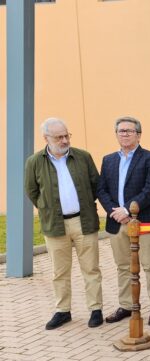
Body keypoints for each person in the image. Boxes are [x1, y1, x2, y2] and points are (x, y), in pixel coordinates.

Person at [24, 118, 104, 330]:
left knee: (91, 269)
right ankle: (63, 311)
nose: (64, 140)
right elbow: (32, 191)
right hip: (55, 226)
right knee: (60, 272)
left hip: (83, 221)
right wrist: (46, 208)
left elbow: (96, 184)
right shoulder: (34, 162)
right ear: (46, 139)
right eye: (59, 137)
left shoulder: (83, 157)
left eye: (67, 135)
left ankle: (95, 309)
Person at [97, 116, 150, 326]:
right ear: (116, 134)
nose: (125, 134)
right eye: (121, 131)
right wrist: (115, 212)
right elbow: (102, 189)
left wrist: (128, 209)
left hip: (145, 220)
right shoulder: (109, 160)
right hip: (117, 223)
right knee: (123, 266)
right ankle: (126, 305)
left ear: (139, 134)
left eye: (129, 131)